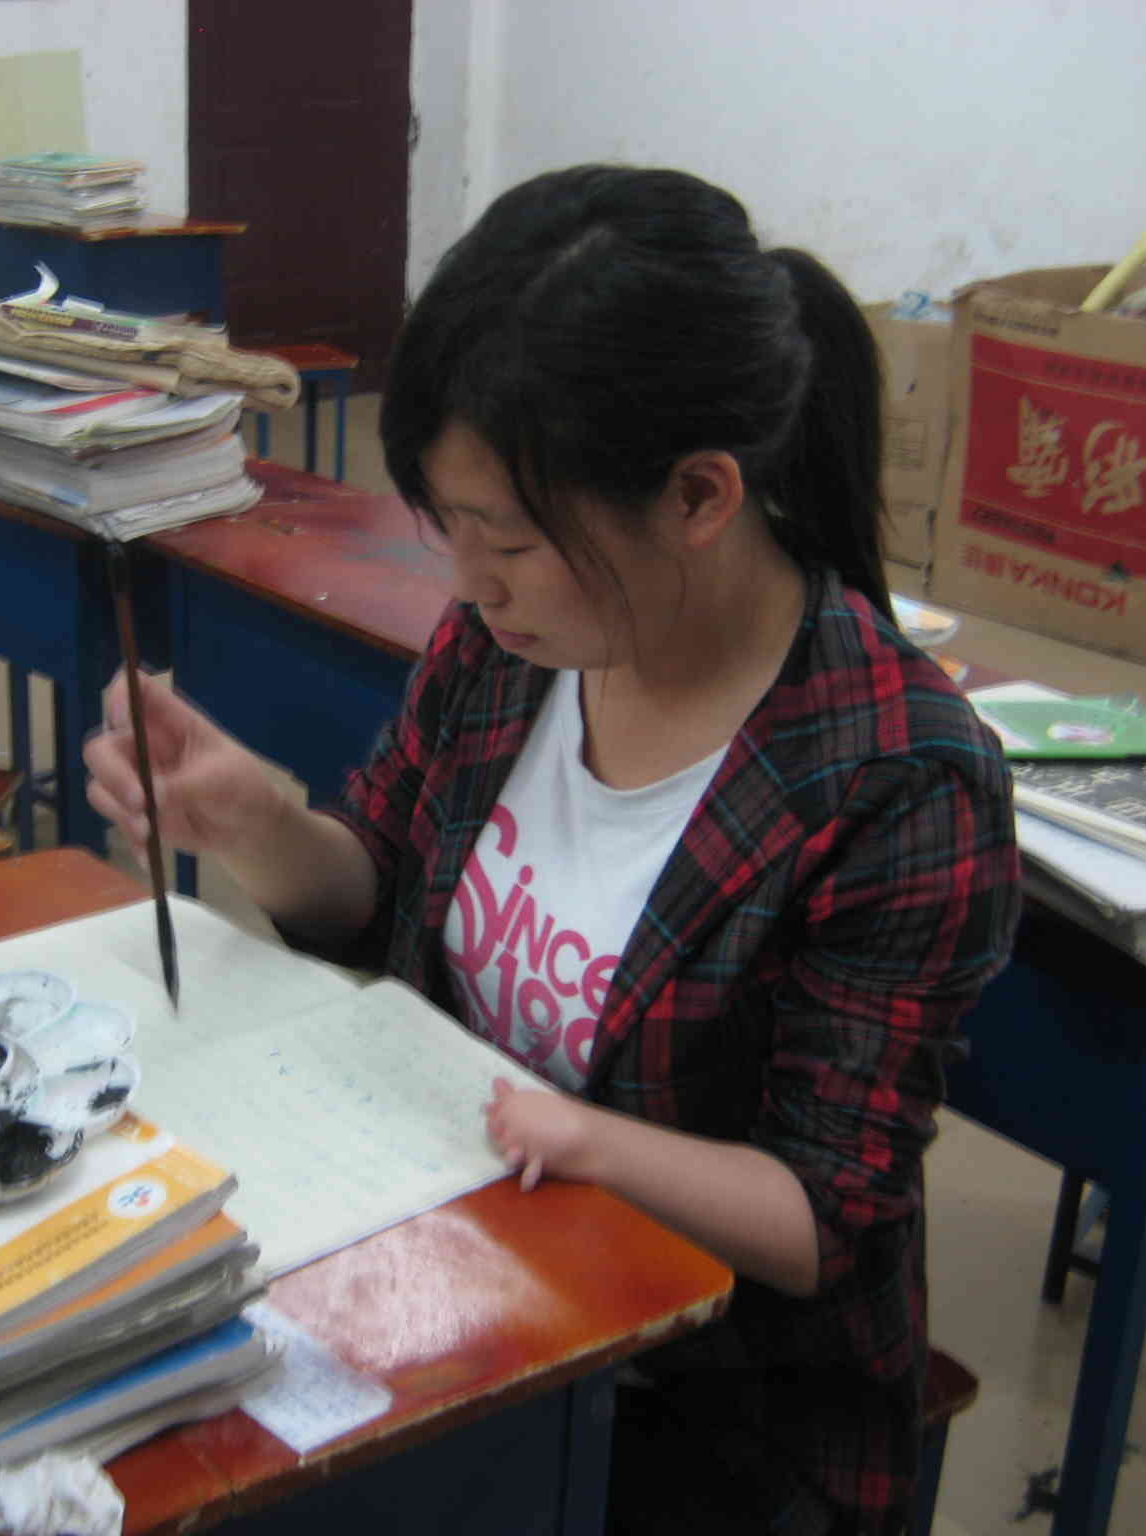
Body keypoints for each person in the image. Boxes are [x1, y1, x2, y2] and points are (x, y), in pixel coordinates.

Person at [85, 163, 1021, 1535]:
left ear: (699, 495)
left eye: (509, 541)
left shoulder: (894, 781)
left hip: (706, 1400)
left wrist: (593, 1143)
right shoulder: (518, 644)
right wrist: (258, 826)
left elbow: (824, 1217)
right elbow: (377, 893)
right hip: (465, 1268)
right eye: (452, 530)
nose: (469, 583)